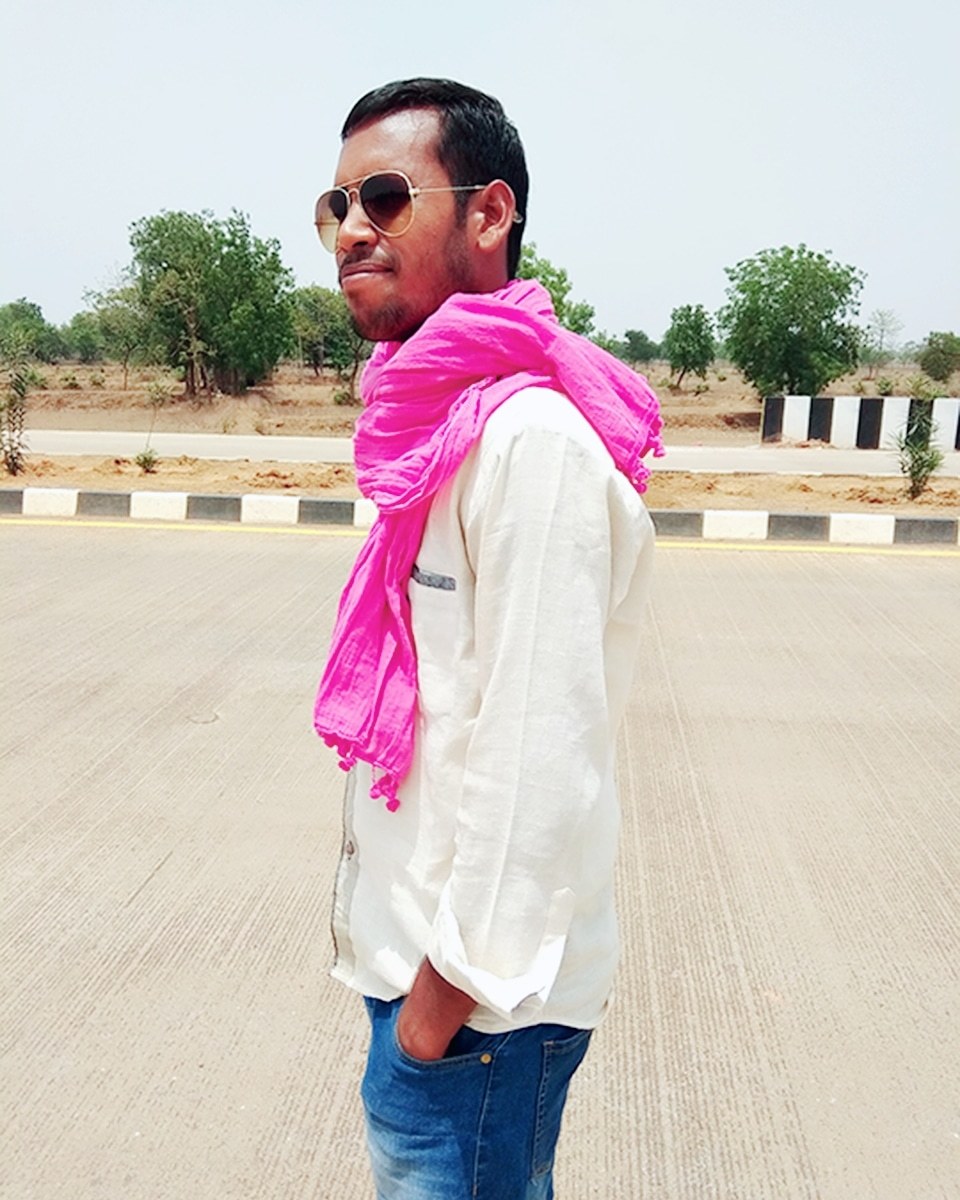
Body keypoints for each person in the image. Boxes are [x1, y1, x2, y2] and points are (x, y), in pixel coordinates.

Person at [313, 77, 663, 1200]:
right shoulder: (434, 425)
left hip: (478, 1025)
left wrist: (434, 1019)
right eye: (335, 205)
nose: (351, 228)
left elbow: (538, 762)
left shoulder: (530, 445)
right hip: (438, 998)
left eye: (384, 196)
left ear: (489, 213)